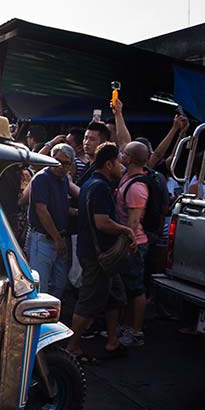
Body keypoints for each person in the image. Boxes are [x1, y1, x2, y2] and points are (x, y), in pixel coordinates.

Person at [66, 143, 138, 361]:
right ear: (109, 164)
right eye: (119, 161)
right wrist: (126, 230)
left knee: (115, 297)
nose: (122, 167)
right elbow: (102, 222)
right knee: (88, 302)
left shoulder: (92, 184)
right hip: (98, 257)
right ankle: (72, 348)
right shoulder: (100, 187)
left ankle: (112, 341)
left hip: (102, 255)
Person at [114, 141, 153, 347]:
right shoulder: (127, 178)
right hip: (129, 241)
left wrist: (126, 242)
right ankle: (126, 326)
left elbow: (134, 221)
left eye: (124, 153)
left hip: (134, 243)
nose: (120, 155)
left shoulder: (137, 186)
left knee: (136, 288)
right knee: (127, 288)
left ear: (129, 159)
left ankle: (136, 331)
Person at [26, 144, 78, 297]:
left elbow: (59, 205)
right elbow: (42, 210)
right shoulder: (42, 178)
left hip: (59, 237)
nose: (60, 165)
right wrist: (57, 238)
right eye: (57, 160)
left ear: (71, 165)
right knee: (40, 287)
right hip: (43, 238)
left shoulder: (63, 180)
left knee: (59, 285)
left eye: (65, 163)